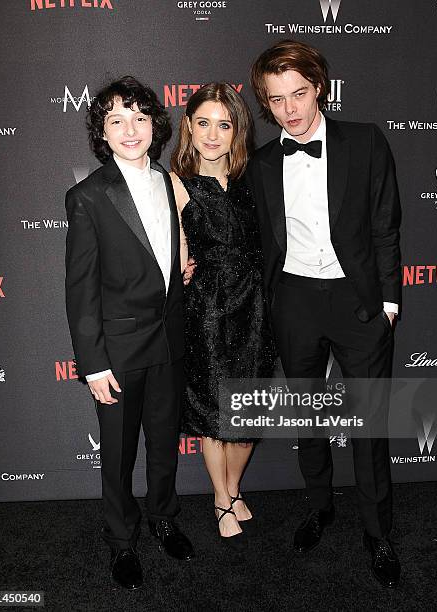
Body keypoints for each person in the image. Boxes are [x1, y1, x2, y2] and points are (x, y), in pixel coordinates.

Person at [246, 40, 402, 588]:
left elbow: (385, 225)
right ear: (265, 104)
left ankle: (377, 531)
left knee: (369, 421)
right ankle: (319, 506)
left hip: (356, 300)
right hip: (294, 299)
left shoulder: (364, 142)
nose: (290, 109)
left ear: (320, 88)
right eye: (277, 100)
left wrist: (387, 304)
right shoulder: (263, 163)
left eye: (299, 94)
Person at [65, 76, 194, 591]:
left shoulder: (168, 180)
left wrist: (184, 265)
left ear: (155, 125)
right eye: (116, 120)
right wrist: (93, 364)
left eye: (140, 117)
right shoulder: (88, 197)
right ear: (102, 131)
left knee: (164, 445)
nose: (130, 128)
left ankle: (164, 519)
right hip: (117, 353)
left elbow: (170, 250)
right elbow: (80, 290)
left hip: (169, 343)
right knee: (117, 454)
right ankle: (122, 542)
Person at [170, 83, 275, 548]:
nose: (213, 134)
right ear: (189, 128)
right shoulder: (175, 183)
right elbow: (170, 250)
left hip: (254, 305)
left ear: (237, 131)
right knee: (216, 411)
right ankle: (222, 497)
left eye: (224, 124)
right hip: (208, 309)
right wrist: (182, 267)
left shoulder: (255, 178)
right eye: (204, 123)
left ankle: (232, 489)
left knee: (247, 412)